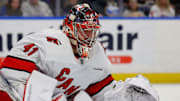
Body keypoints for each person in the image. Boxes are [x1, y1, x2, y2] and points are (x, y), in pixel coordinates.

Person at [0, 3, 158, 101]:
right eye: (84, 30)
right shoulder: (45, 42)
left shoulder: (97, 54)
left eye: (92, 31)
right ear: (69, 29)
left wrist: (122, 96)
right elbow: (11, 73)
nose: (89, 37)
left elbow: (100, 90)